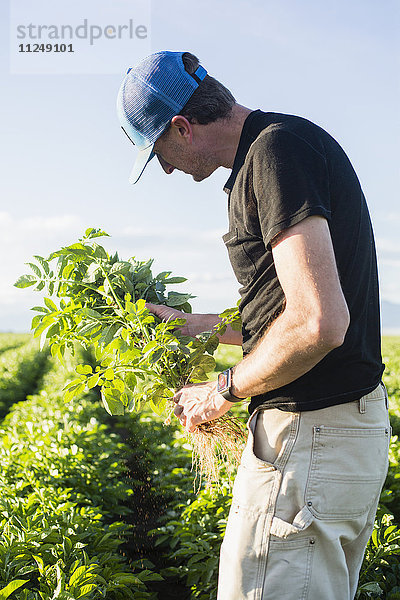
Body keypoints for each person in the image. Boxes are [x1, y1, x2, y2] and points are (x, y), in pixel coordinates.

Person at [116, 51, 390, 600]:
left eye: (159, 152)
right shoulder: (285, 144)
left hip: (309, 440)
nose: (166, 168)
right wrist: (196, 325)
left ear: (182, 126)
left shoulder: (274, 155)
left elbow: (318, 322)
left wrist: (222, 390)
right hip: (335, 436)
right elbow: (291, 307)